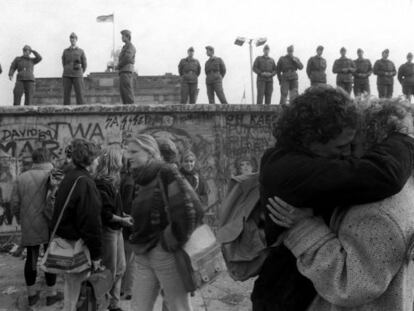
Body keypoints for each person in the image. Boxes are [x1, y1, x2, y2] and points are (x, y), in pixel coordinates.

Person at [251, 86, 414, 311]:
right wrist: (404, 137)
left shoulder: (381, 209)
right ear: (310, 140)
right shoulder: (287, 170)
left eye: (351, 144)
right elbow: (384, 174)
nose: (347, 153)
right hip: (285, 293)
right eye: (341, 146)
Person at [123, 134, 204, 311]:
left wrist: (170, 240)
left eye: (134, 151)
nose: (128, 156)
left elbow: (192, 211)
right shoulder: (141, 178)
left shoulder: (166, 172)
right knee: (138, 307)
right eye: (128, 151)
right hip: (143, 252)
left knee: (178, 306)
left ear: (150, 152)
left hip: (165, 253)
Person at [51, 139, 103, 311]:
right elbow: (91, 222)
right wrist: (96, 255)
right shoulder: (85, 182)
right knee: (76, 292)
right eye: (96, 158)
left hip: (66, 242)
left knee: (71, 290)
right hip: (78, 246)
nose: (98, 162)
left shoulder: (71, 178)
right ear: (89, 160)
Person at [10, 148, 62, 307]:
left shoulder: (21, 178)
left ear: (33, 159)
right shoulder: (57, 175)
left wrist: (21, 218)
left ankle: (32, 295)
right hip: (51, 223)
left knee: (31, 258)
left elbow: (14, 204)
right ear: (48, 158)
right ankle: (51, 294)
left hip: (29, 223)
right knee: (50, 257)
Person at [95, 147, 133, 311]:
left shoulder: (112, 181)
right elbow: (105, 214)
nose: (124, 161)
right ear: (114, 161)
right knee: (111, 269)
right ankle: (106, 302)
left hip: (116, 229)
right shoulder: (102, 183)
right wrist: (122, 219)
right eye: (121, 158)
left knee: (121, 268)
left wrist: (123, 214)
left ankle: (113, 303)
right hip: (109, 231)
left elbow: (112, 209)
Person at [62, 32, 87, 105]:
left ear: (76, 40)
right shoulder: (65, 51)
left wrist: (80, 72)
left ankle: (81, 110)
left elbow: (84, 64)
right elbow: (63, 62)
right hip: (67, 74)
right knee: (66, 93)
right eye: (71, 38)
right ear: (70, 40)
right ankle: (65, 111)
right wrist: (67, 69)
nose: (72, 40)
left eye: (74, 38)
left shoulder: (81, 51)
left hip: (77, 74)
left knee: (80, 93)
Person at [117, 29, 136, 105]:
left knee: (127, 91)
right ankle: (126, 107)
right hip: (123, 70)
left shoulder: (130, 46)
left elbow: (127, 57)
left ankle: (131, 108)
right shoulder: (125, 47)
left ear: (127, 37)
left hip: (126, 70)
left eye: (123, 36)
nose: (122, 37)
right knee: (123, 91)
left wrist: (119, 65)